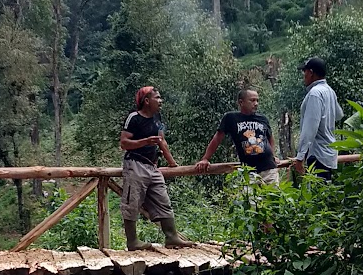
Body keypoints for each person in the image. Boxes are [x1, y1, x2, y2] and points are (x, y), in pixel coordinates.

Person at [119, 86, 194, 249]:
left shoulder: (157, 118)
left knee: (163, 200)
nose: (161, 101)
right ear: (146, 101)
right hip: (135, 164)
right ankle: (132, 241)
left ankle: (172, 237)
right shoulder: (134, 118)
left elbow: (162, 141)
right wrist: (145, 141)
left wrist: (172, 163)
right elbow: (124, 143)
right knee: (132, 202)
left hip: (153, 167)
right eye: (157, 98)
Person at [196, 86, 280, 185]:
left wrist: (273, 156)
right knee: (249, 195)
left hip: (269, 169)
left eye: (257, 100)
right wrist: (205, 158)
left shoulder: (263, 119)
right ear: (241, 102)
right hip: (249, 170)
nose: (256, 103)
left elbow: (270, 138)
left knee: (273, 195)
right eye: (252, 100)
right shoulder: (231, 118)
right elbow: (217, 139)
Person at [292, 56, 342, 179]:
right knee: (326, 187)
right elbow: (339, 115)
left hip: (317, 154)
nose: (304, 76)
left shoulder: (315, 93)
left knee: (317, 188)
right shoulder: (329, 91)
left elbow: (310, 128)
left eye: (304, 72)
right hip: (329, 153)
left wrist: (300, 157)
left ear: (311, 72)